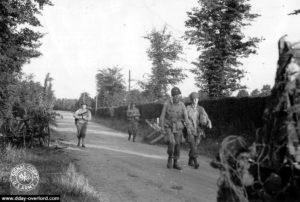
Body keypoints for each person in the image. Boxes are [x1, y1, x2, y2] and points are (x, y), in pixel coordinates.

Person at [160, 87, 189, 170]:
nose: (177, 97)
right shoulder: (167, 104)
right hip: (169, 126)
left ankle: (176, 162)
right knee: (172, 142)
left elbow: (186, 116)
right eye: (175, 95)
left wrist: (188, 125)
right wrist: (162, 126)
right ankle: (170, 158)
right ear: (172, 96)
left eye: (178, 95)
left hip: (178, 126)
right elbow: (162, 116)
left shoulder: (182, 104)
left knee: (178, 144)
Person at [185, 92, 212, 169]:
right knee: (193, 145)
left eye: (196, 99)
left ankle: (190, 160)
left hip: (199, 130)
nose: (195, 101)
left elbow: (206, 117)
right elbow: (184, 118)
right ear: (191, 100)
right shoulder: (188, 108)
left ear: (198, 99)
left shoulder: (201, 108)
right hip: (190, 129)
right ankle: (195, 162)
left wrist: (209, 122)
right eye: (193, 99)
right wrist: (187, 126)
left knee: (195, 146)